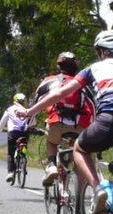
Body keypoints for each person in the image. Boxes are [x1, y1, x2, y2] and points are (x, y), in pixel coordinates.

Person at [20, 30, 113, 214]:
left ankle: (98, 190)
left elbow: (60, 93)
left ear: (102, 52)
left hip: (108, 120)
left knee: (80, 149)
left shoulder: (93, 69)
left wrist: (30, 111)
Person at [29, 51, 95, 186]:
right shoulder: (83, 84)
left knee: (51, 141)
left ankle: (52, 164)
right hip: (80, 127)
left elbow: (36, 101)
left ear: (58, 67)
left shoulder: (50, 80)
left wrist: (31, 121)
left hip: (56, 123)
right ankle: (79, 193)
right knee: (80, 154)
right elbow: (93, 105)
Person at [0, 93, 31, 183]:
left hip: (12, 133)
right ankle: (23, 158)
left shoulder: (9, 109)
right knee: (23, 145)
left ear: (14, 100)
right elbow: (32, 121)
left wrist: (0, 130)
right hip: (24, 133)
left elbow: (2, 122)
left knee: (10, 154)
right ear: (24, 101)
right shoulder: (26, 110)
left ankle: (10, 172)